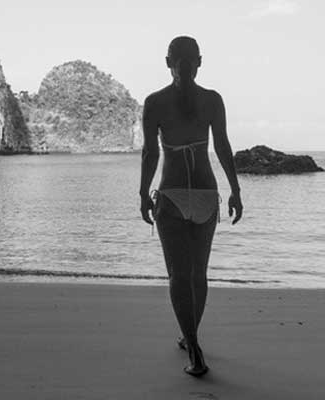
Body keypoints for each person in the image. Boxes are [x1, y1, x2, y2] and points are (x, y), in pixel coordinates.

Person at [138, 36, 243, 377]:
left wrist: (142, 193)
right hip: (204, 193)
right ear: (200, 61)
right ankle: (190, 337)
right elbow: (224, 148)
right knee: (198, 274)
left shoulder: (155, 102)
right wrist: (235, 190)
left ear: (167, 61)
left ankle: (194, 345)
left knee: (178, 276)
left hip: (171, 195)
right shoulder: (212, 100)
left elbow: (150, 154)